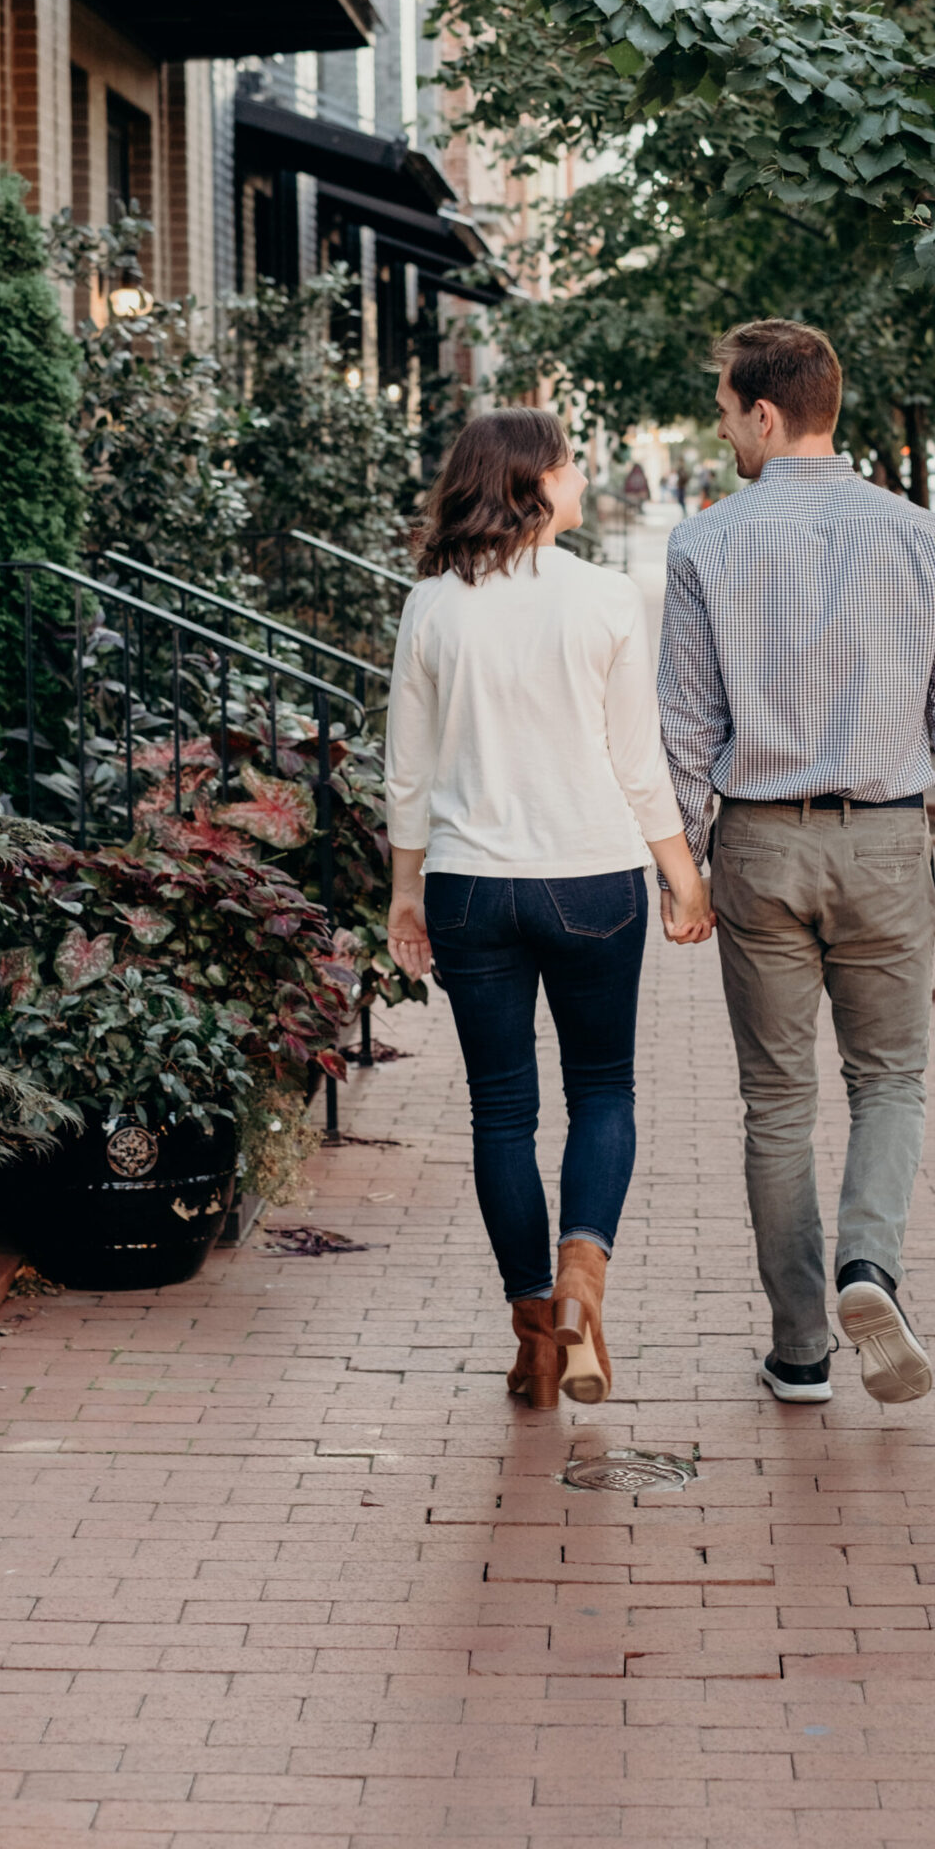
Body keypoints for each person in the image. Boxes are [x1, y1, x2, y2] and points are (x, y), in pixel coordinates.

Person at [658, 320, 935, 1408]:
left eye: (725, 412)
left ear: (764, 414)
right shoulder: (925, 539)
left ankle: (803, 1350)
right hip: (885, 841)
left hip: (759, 843)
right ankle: (871, 1266)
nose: (723, 431)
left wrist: (683, 873)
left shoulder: (705, 543)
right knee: (889, 1079)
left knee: (776, 1103)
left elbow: (681, 729)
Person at [385, 408, 713, 1412]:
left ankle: (534, 1336)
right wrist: (683, 875)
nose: (581, 477)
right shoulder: (606, 597)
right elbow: (635, 762)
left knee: (500, 1113)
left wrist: (404, 891)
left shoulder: (431, 605)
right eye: (570, 465)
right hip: (592, 881)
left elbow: (407, 771)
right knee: (603, 1092)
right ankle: (583, 1282)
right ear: (531, 482)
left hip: (472, 884)